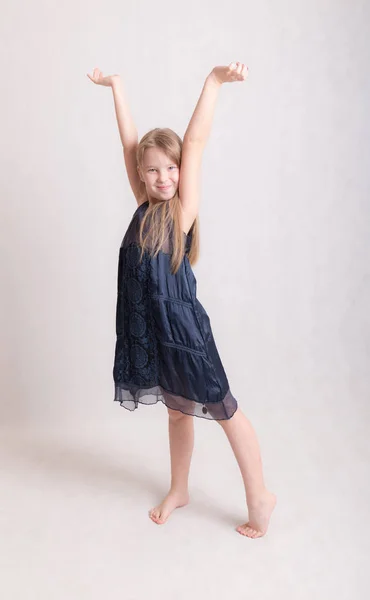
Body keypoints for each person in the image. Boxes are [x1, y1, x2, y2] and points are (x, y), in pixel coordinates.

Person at [87, 63, 276, 538]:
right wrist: (118, 88)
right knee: (175, 412)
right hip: (152, 329)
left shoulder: (180, 212)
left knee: (224, 409)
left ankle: (260, 496)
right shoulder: (143, 205)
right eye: (153, 170)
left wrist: (212, 83)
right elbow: (129, 145)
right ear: (142, 176)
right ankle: (180, 488)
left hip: (185, 330)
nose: (164, 176)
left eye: (170, 168)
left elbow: (193, 144)